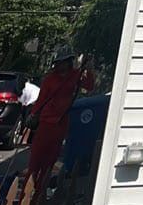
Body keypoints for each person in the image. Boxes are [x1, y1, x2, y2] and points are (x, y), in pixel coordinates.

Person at [26, 46, 94, 187]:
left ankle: (41, 190)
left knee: (51, 159)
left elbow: (89, 86)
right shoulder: (50, 79)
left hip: (61, 122)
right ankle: (29, 187)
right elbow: (41, 99)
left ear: (69, 62)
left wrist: (89, 70)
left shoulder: (75, 75)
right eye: (59, 62)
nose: (61, 65)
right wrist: (33, 114)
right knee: (36, 158)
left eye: (64, 62)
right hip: (46, 122)